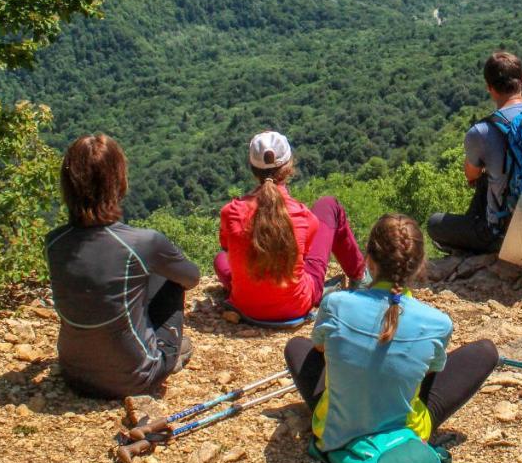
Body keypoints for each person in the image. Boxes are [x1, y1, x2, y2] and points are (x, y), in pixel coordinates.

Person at [284, 214, 498, 452]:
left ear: (369, 262)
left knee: (297, 346)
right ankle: (403, 434)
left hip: (334, 433)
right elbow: (430, 373)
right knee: (485, 352)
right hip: (405, 437)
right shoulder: (439, 323)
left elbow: (320, 349)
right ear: (419, 266)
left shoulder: (335, 303)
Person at [45, 134, 201, 399]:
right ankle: (167, 353)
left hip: (72, 372)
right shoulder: (143, 242)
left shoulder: (54, 242)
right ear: (118, 182)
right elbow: (192, 278)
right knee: (170, 279)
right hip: (136, 378)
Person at [215, 131, 367, 323]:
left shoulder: (231, 212)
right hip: (296, 305)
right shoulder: (304, 216)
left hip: (246, 306)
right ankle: (359, 276)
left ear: (252, 169)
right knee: (328, 204)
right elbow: (304, 255)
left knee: (220, 259)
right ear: (288, 167)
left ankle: (251, 294)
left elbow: (228, 249)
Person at [428, 51, 522, 253]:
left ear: (489, 88)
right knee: (488, 180)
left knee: (434, 224)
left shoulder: (482, 132)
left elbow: (471, 174)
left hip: (504, 233)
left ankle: (481, 245)